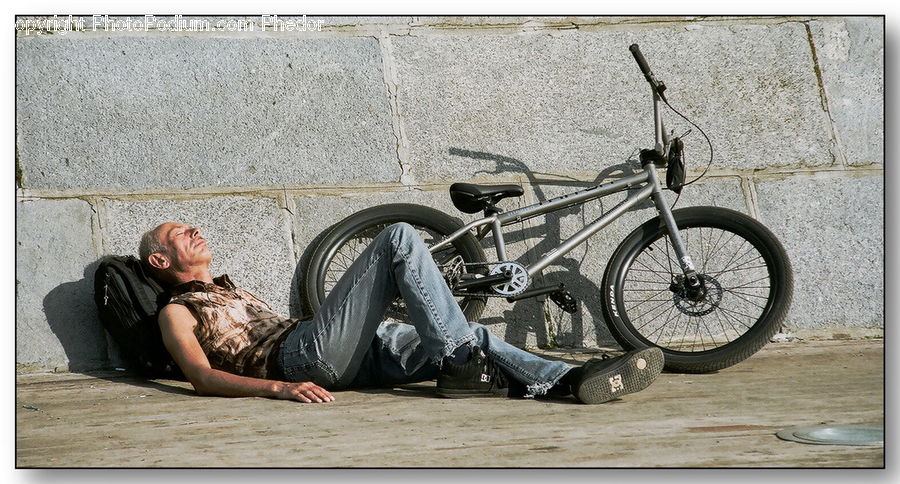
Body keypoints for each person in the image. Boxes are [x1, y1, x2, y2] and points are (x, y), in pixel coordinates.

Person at [141, 221, 663, 404]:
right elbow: (201, 378)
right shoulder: (177, 311)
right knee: (397, 239)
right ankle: (456, 356)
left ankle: (572, 380)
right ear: (161, 260)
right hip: (299, 360)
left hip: (343, 358)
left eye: (192, 225)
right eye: (178, 233)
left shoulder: (231, 288)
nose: (194, 231)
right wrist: (279, 388)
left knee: (468, 335)